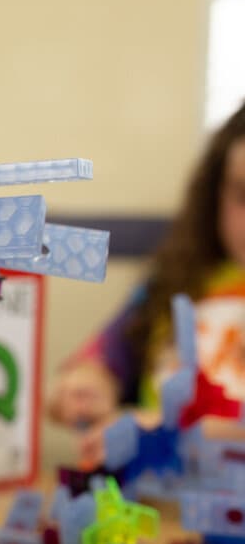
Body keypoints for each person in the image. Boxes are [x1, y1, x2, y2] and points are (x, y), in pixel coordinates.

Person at [46, 100, 245, 463]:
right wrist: (91, 381)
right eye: (243, 195)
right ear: (216, 194)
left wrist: (169, 435)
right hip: (157, 508)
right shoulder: (177, 280)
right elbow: (111, 350)